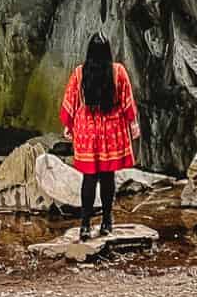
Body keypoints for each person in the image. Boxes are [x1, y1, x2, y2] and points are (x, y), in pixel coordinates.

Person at [59, 33, 140, 239]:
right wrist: (133, 123)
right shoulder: (118, 71)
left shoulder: (79, 73)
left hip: (88, 129)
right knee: (107, 176)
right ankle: (106, 222)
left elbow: (71, 100)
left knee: (89, 177)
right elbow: (126, 99)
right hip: (111, 129)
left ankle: (85, 226)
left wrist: (68, 125)